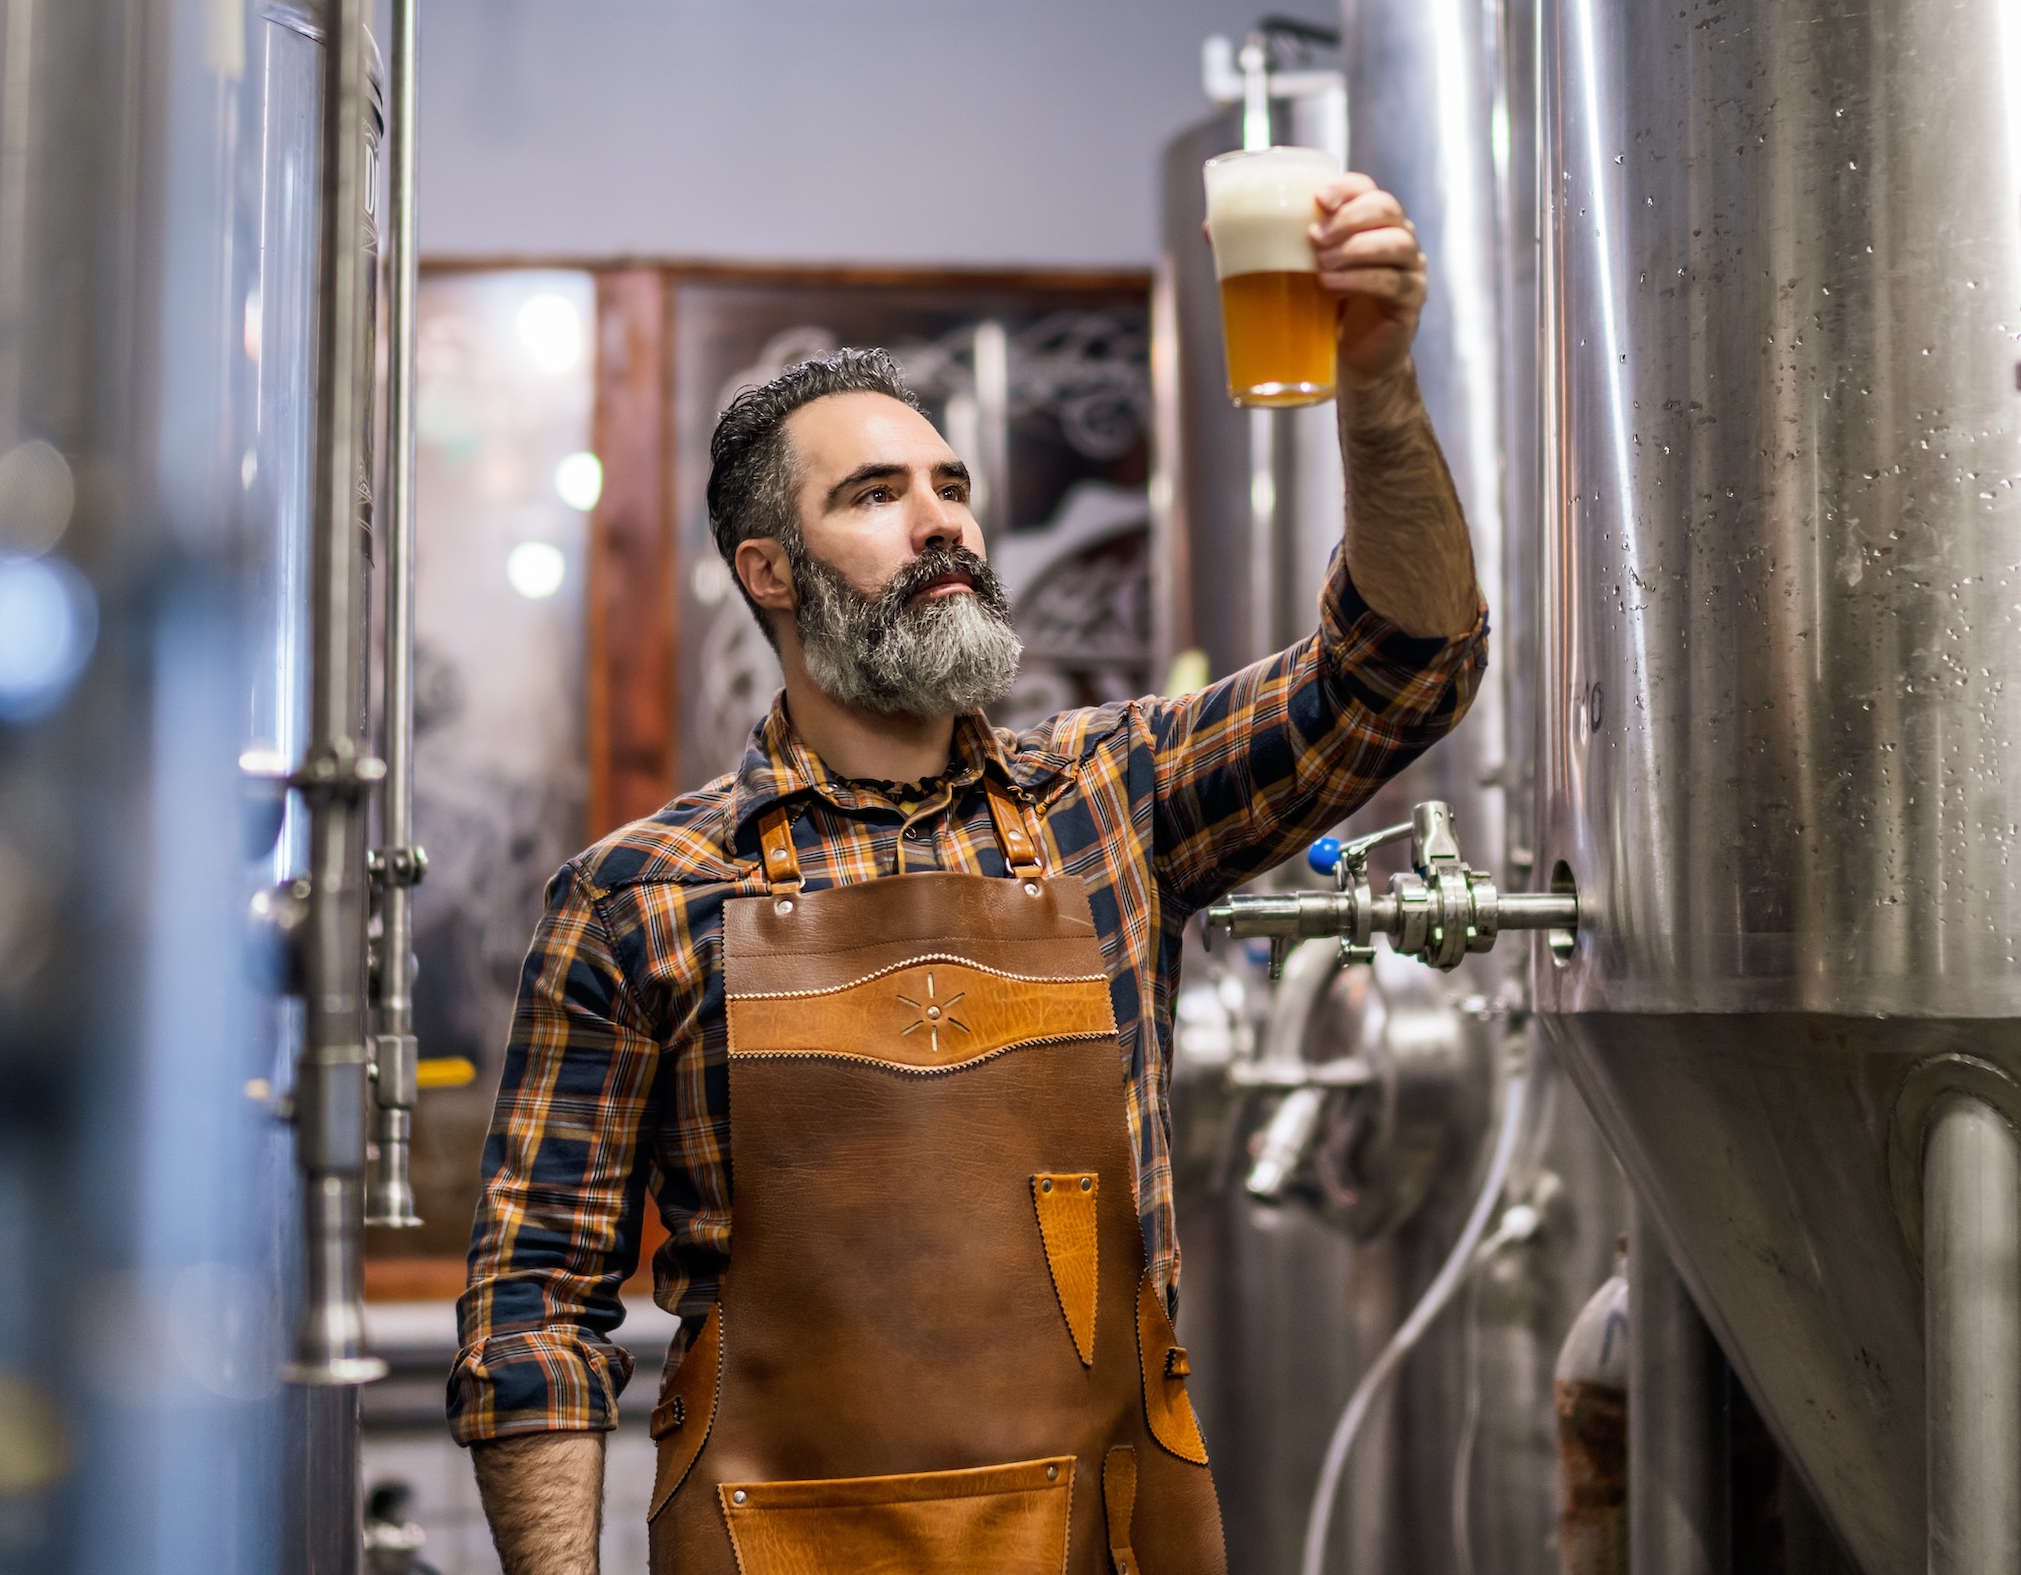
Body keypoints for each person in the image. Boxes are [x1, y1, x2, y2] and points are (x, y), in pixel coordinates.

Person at [449, 173, 1486, 1575]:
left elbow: (1400, 669)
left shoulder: (1113, 799)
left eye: (953, 487)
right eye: (876, 495)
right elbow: (535, 1322)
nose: (942, 520)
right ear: (770, 570)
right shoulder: (639, 896)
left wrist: (1374, 386)